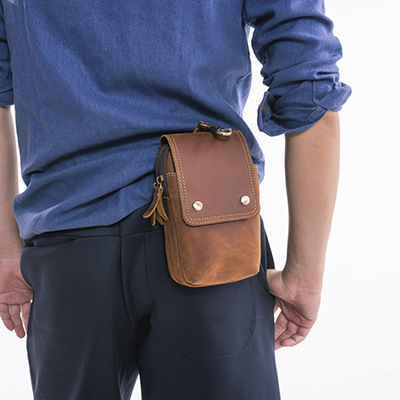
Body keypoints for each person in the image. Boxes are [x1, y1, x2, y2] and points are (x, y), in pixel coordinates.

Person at [0, 0, 351, 399]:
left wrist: (6, 250)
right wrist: (304, 275)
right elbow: (310, 82)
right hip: (212, 233)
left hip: (67, 238)